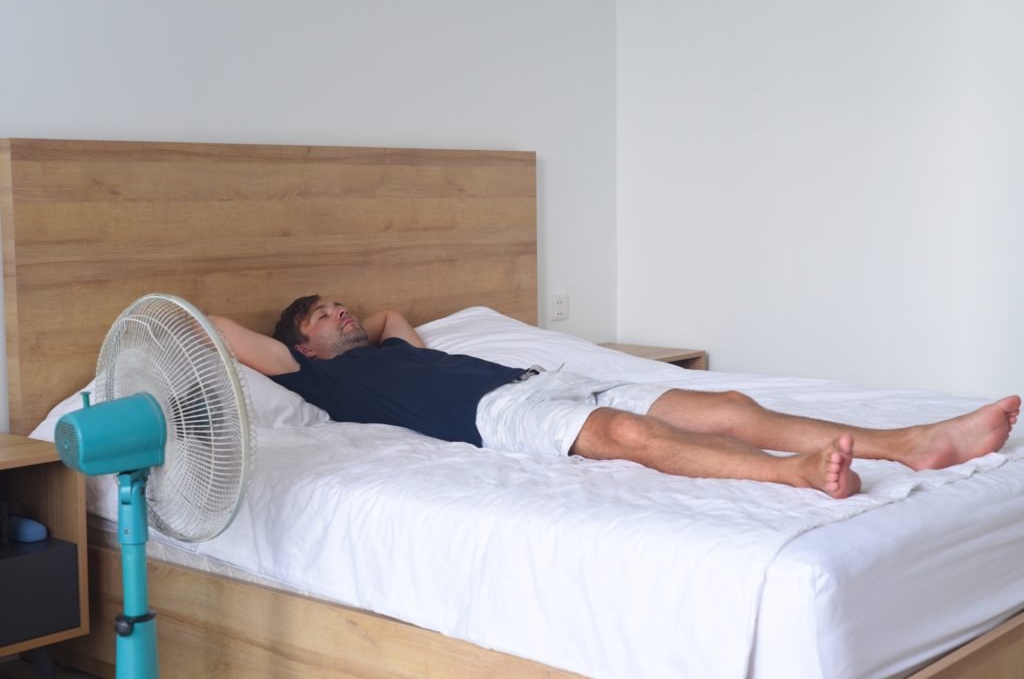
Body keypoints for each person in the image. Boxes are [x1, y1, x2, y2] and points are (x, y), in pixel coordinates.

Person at [210, 296, 1020, 500]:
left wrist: (361, 320)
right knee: (626, 431)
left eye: (339, 303)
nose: (343, 311)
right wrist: (303, 340)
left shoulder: (389, 347)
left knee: (732, 402)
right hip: (495, 418)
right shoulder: (310, 374)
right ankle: (797, 475)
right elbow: (208, 325)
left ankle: (910, 442)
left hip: (536, 381)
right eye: (323, 313)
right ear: (301, 342)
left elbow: (391, 315)